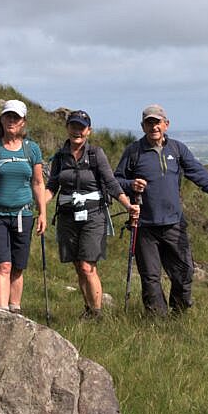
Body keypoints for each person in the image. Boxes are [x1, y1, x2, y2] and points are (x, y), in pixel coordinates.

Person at [114, 104, 208, 316]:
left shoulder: (177, 149)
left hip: (174, 223)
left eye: (157, 122)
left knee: (184, 271)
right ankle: (157, 320)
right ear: (143, 126)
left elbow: (197, 173)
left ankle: (179, 312)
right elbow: (115, 181)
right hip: (144, 226)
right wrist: (131, 184)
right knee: (150, 276)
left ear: (166, 125)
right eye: (149, 123)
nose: (154, 127)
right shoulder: (133, 151)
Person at [44, 110, 139, 319]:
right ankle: (88, 308)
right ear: (67, 128)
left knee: (88, 265)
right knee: (78, 265)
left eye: (81, 127)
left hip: (93, 216)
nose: (77, 131)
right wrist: (39, 205)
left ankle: (96, 313)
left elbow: (111, 183)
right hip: (67, 216)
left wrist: (128, 205)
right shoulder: (60, 156)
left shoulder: (96, 154)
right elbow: (52, 186)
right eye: (73, 126)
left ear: (89, 131)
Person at [0, 99, 46, 313]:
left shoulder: (32, 149)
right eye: (8, 116)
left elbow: (38, 182)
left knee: (17, 267)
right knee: (2, 265)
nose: (11, 120)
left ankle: (15, 310)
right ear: (1, 119)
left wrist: (42, 212)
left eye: (16, 117)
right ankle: (2, 312)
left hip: (23, 215)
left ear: (23, 122)